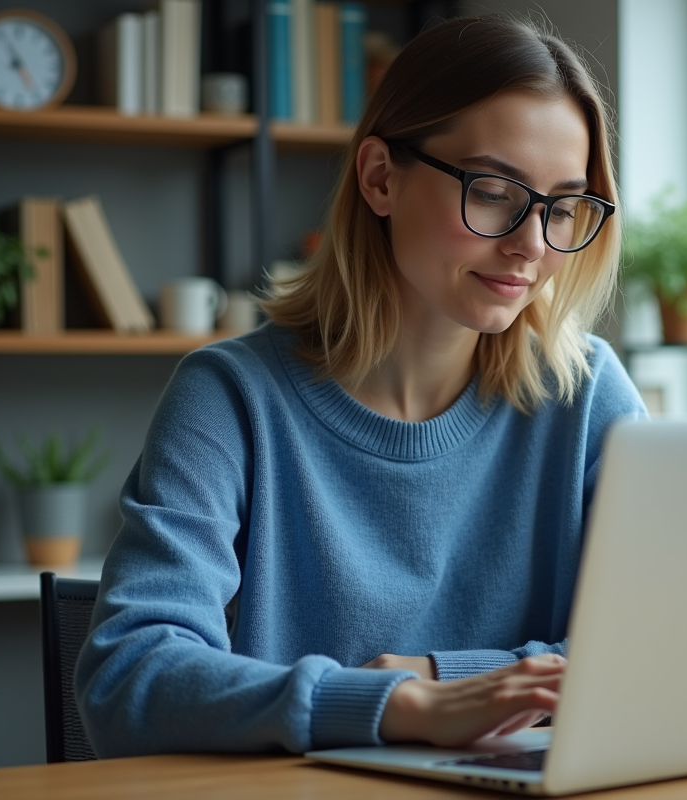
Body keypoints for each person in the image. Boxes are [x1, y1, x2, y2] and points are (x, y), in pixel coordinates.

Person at [74, 13, 647, 757]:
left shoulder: (588, 392)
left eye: (562, 206)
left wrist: (444, 677)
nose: (531, 245)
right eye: (495, 191)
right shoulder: (230, 398)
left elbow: (662, 649)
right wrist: (398, 706)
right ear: (380, 177)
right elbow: (128, 677)